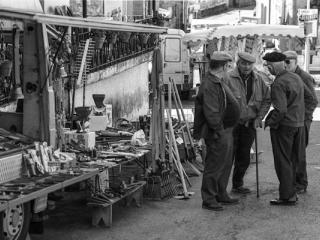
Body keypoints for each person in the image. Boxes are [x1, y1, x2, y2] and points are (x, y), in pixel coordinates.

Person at [194, 51, 240, 211]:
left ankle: (221, 193)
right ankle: (209, 198)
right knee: (214, 165)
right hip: (217, 132)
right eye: (227, 66)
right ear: (223, 66)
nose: (228, 69)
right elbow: (212, 112)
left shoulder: (217, 81)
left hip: (224, 130)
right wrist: (219, 130)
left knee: (224, 164)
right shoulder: (210, 85)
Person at [224, 52, 271, 194]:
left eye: (249, 64)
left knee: (243, 157)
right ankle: (220, 190)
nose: (246, 67)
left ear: (253, 65)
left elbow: (267, 100)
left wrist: (259, 118)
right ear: (238, 63)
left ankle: (237, 185)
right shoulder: (228, 78)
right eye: (243, 63)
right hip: (230, 125)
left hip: (249, 125)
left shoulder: (259, 80)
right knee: (227, 157)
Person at [263, 51, 305, 206]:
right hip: (297, 124)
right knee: (292, 160)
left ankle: (287, 196)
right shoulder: (296, 77)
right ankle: (291, 192)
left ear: (274, 65)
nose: (268, 69)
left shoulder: (279, 83)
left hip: (285, 126)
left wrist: (271, 122)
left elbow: (281, 109)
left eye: (268, 66)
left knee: (283, 161)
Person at [283, 50, 318, 194]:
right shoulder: (289, 75)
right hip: (294, 120)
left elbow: (312, 101)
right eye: (284, 62)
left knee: (299, 152)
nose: (285, 65)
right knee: (293, 152)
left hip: (302, 121)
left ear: (295, 62)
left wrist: (304, 118)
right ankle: (294, 181)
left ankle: (301, 183)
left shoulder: (303, 77)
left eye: (288, 62)